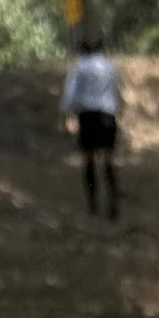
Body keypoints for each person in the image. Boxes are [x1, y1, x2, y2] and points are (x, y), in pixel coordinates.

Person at [60, 31, 122, 218]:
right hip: (108, 114)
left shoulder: (79, 68)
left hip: (88, 116)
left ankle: (92, 204)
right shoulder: (110, 67)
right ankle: (112, 202)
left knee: (89, 160)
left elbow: (70, 96)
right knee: (109, 159)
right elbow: (116, 92)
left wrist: (65, 117)